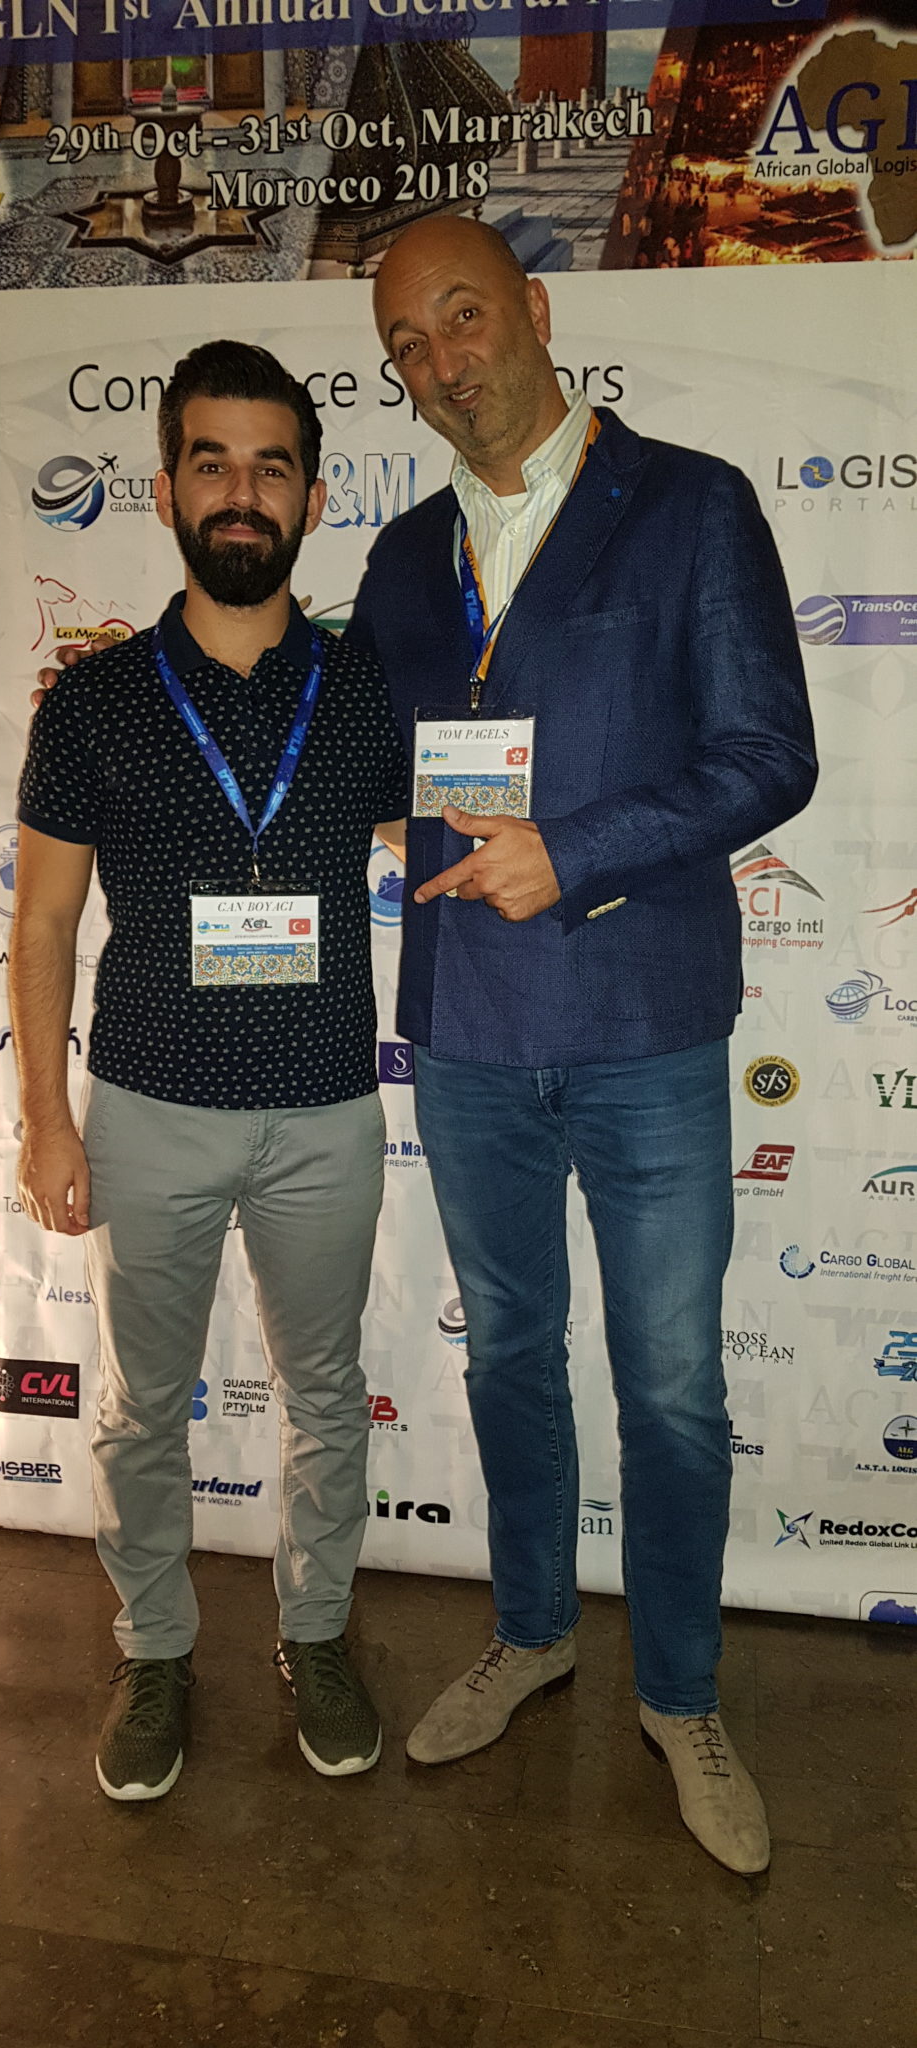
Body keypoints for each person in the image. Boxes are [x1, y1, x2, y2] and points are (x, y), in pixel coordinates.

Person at [346, 216, 818, 1875]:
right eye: (408, 345)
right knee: (507, 1352)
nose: (442, 362)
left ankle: (681, 1695)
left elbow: (768, 753)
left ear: (537, 311)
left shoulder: (691, 506)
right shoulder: (402, 561)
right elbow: (371, 755)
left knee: (674, 1382)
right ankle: (533, 1631)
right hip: (468, 1027)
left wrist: (580, 850)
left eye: (463, 318)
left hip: (643, 1026)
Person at [11, 341, 409, 1799]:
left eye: (272, 467)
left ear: (312, 497)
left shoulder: (368, 689)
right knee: (139, 1408)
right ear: (166, 486)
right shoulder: (95, 700)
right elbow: (42, 922)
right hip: (150, 1107)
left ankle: (316, 1632)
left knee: (326, 1395)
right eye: (214, 463)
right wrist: (44, 1122)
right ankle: (157, 1646)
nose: (243, 492)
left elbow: (450, 840)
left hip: (325, 1107)